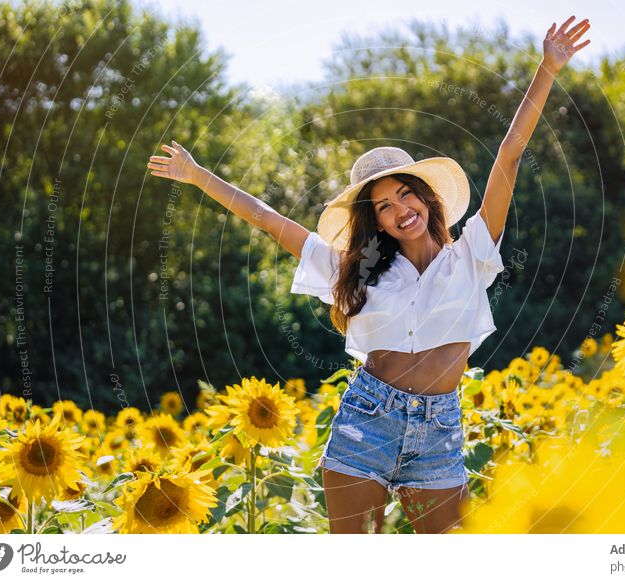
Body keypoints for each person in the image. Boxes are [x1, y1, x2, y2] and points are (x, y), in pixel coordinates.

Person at [147, 16, 590, 533]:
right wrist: (197, 176)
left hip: (440, 429)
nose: (399, 209)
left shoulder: (471, 253)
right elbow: (268, 221)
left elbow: (509, 158)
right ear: (373, 220)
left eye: (405, 193)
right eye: (383, 205)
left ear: (426, 197)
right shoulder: (354, 271)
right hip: (367, 421)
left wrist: (547, 68)